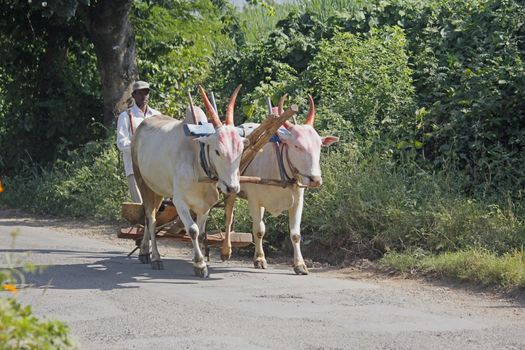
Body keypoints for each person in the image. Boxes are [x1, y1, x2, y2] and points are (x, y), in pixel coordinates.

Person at [116, 81, 161, 203]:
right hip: (134, 167)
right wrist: (140, 146)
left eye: (146, 93)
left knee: (159, 205)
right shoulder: (126, 116)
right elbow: (121, 143)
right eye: (140, 93)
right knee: (140, 205)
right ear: (134, 96)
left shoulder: (157, 116)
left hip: (156, 167)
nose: (143, 96)